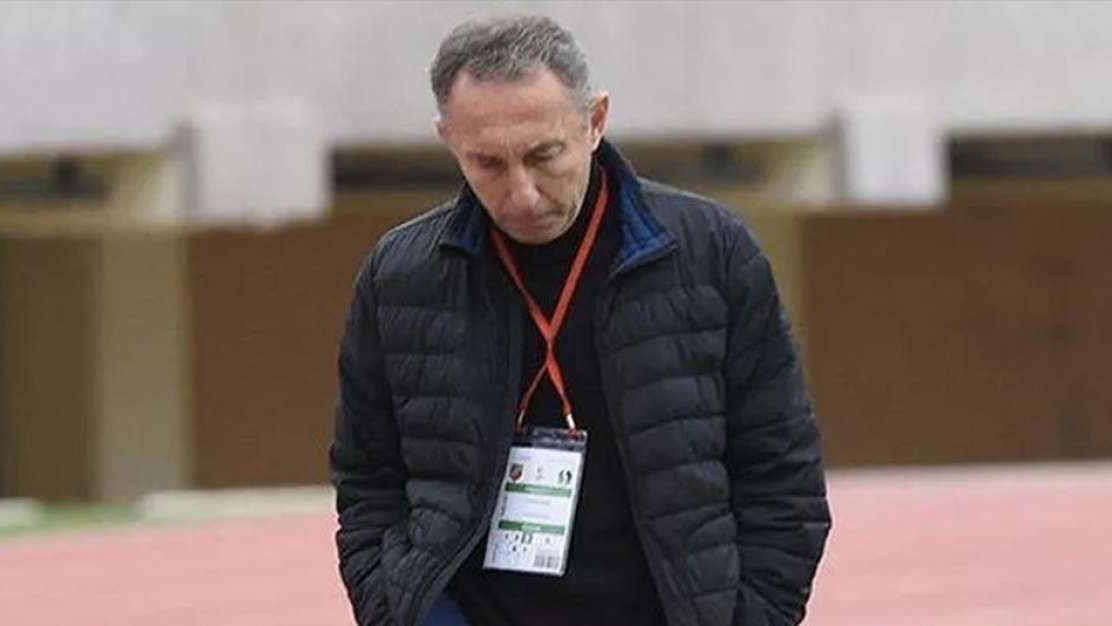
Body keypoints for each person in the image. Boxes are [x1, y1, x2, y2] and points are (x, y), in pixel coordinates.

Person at [331, 13, 830, 626]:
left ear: (595, 121)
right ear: (447, 139)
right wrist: (403, 612)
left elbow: (781, 471)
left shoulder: (713, 253)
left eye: (544, 155)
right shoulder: (399, 276)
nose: (521, 193)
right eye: (487, 163)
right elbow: (367, 479)